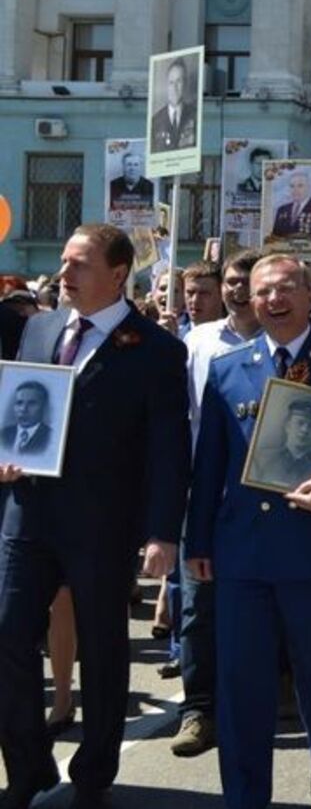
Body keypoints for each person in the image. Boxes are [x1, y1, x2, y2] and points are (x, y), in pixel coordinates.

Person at [185, 254, 311, 808]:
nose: (273, 301)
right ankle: (246, 795)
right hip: (242, 551)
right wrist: (197, 542)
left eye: (284, 290)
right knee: (241, 684)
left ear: (309, 295)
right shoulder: (229, 368)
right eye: (262, 292)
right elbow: (209, 463)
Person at [0, 223, 189, 809]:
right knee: (7, 637)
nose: (65, 272)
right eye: (63, 261)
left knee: (103, 648)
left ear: (117, 274)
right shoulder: (39, 327)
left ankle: (93, 767)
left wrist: (163, 531)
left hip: (102, 525)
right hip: (27, 515)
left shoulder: (156, 349)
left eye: (80, 263)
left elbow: (167, 447)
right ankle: (28, 769)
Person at [170, 250, 262, 759]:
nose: (236, 289)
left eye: (246, 280)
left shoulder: (283, 344)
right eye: (230, 280)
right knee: (197, 610)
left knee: (260, 605)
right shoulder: (198, 341)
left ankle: (262, 696)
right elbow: (180, 419)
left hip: (265, 499)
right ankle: (198, 711)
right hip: (204, 495)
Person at [151, 57, 198, 152]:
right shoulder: (155, 121)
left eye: (179, 81)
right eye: (171, 82)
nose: (174, 87)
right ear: (167, 86)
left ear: (185, 84)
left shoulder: (196, 115)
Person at [271, 171, 311, 239]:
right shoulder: (282, 209)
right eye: (292, 186)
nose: (295, 190)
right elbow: (275, 236)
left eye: (300, 186)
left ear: (309, 187)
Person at [0, 381, 52, 456]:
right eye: (19, 403)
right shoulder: (3, 434)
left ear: (43, 407)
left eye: (32, 403)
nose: (23, 409)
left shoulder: (51, 438)